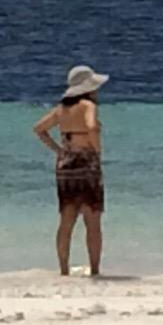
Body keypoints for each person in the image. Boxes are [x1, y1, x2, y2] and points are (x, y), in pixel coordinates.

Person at [33, 65, 108, 277]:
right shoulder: (87, 106)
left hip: (65, 165)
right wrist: (96, 148)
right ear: (88, 88)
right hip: (86, 163)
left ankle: (64, 270)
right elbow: (91, 127)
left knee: (67, 219)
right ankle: (94, 270)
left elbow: (39, 129)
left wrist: (58, 150)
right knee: (92, 219)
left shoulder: (61, 109)